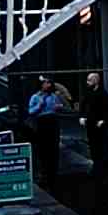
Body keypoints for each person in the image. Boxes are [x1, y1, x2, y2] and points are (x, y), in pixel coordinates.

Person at [22, 68, 67, 201]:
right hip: (41, 123)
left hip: (53, 122)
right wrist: (39, 106)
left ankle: (53, 175)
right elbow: (31, 111)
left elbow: (59, 106)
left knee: (53, 149)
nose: (48, 85)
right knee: (43, 150)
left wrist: (59, 107)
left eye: (49, 83)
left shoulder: (53, 96)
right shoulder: (35, 97)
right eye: (46, 83)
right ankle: (43, 174)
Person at [80, 70, 108, 197]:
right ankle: (96, 167)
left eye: (90, 80)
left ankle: (104, 169)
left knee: (102, 146)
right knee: (93, 146)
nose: (87, 82)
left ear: (96, 81)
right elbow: (83, 105)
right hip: (90, 124)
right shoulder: (88, 93)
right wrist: (82, 116)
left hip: (99, 125)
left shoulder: (103, 94)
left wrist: (104, 120)